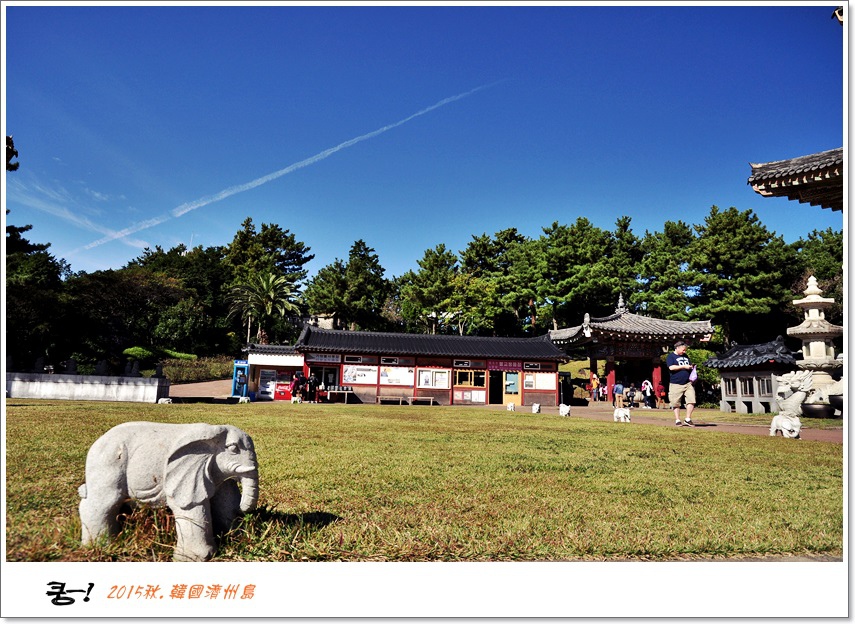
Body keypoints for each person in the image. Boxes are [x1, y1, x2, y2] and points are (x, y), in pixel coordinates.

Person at [667, 340, 695, 426]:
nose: (684, 351)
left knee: (691, 400)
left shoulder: (686, 356)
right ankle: (677, 420)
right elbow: (671, 367)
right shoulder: (670, 356)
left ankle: (688, 418)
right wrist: (683, 366)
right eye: (683, 350)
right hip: (676, 383)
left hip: (688, 383)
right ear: (677, 348)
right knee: (675, 402)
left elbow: (689, 365)